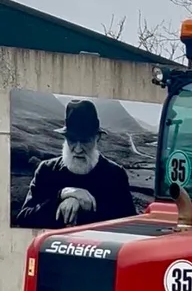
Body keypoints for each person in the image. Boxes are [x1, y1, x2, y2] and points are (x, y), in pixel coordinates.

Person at [16, 98, 136, 228]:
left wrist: (85, 207)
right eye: (72, 140)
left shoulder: (115, 175)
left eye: (85, 141)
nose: (78, 149)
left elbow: (128, 225)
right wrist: (61, 195)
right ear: (65, 138)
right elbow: (24, 219)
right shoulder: (46, 171)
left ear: (97, 138)